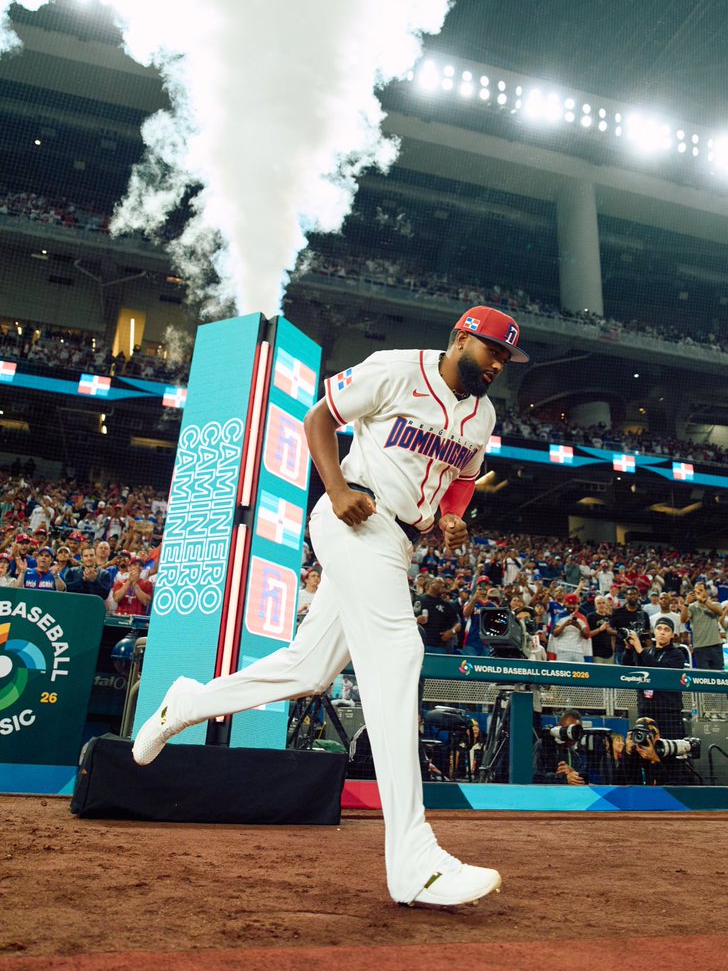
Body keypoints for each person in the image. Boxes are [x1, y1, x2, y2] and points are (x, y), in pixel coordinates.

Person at [133, 305, 530, 907]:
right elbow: (319, 417)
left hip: (400, 540)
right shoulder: (397, 369)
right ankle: (413, 860)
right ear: (458, 339)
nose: (498, 364)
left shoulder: (485, 413)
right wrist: (337, 488)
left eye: (506, 357)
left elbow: (462, 478)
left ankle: (187, 703)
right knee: (398, 654)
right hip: (355, 517)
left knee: (308, 668)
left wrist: (452, 517)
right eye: (491, 350)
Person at [622, 617, 688, 739]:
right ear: (654, 632)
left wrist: (639, 649)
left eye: (666, 630)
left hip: (668, 712)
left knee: (669, 748)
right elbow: (627, 669)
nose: (662, 632)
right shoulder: (646, 651)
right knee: (644, 747)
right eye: (659, 628)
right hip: (646, 710)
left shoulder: (677, 654)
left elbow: (660, 672)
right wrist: (628, 649)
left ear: (672, 635)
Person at [681, 580, 727, 670]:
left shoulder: (715, 604)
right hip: (700, 647)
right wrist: (686, 603)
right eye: (696, 591)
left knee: (718, 674)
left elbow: (720, 612)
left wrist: (704, 600)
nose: (698, 593)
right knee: (704, 675)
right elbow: (683, 620)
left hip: (716, 645)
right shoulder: (692, 607)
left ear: (706, 592)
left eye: (700, 590)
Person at [533, 708, 587, 785]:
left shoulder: (574, 756)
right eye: (568, 730)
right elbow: (534, 777)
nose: (571, 737)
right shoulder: (542, 746)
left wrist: (573, 773)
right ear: (559, 727)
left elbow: (582, 779)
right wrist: (563, 779)